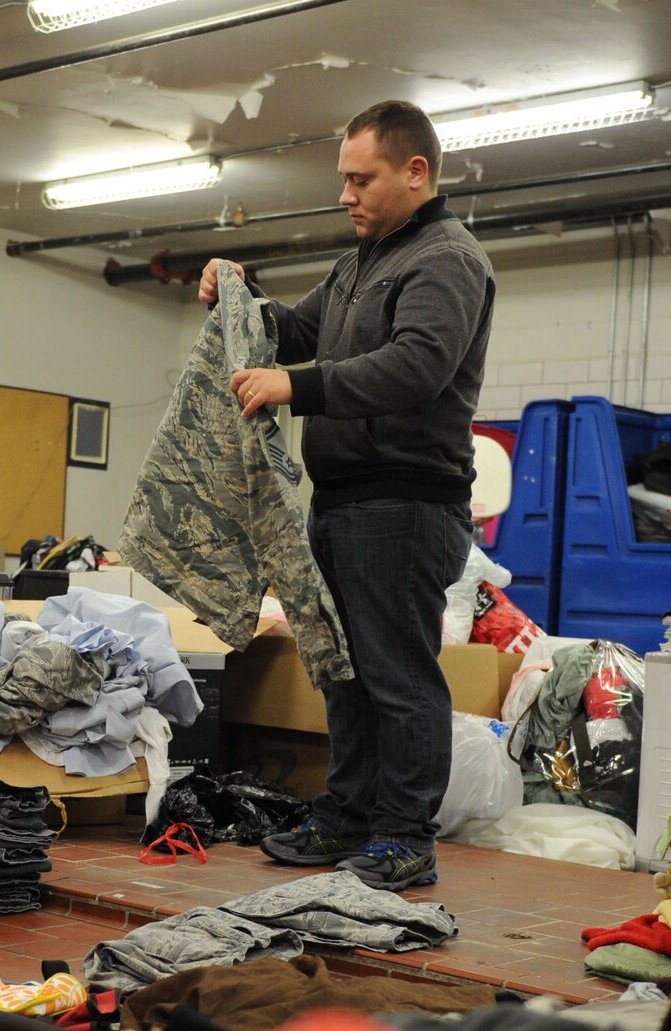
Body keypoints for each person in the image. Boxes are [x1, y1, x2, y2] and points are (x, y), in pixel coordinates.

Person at [200, 99, 494, 891]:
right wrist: (241, 294)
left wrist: (295, 387)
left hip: (403, 504)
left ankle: (405, 835)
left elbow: (416, 366)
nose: (346, 195)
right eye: (344, 179)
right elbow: (295, 333)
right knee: (343, 670)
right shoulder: (359, 262)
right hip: (344, 500)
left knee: (397, 676)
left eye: (361, 179)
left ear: (415, 172)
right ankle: (349, 814)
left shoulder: (446, 259)